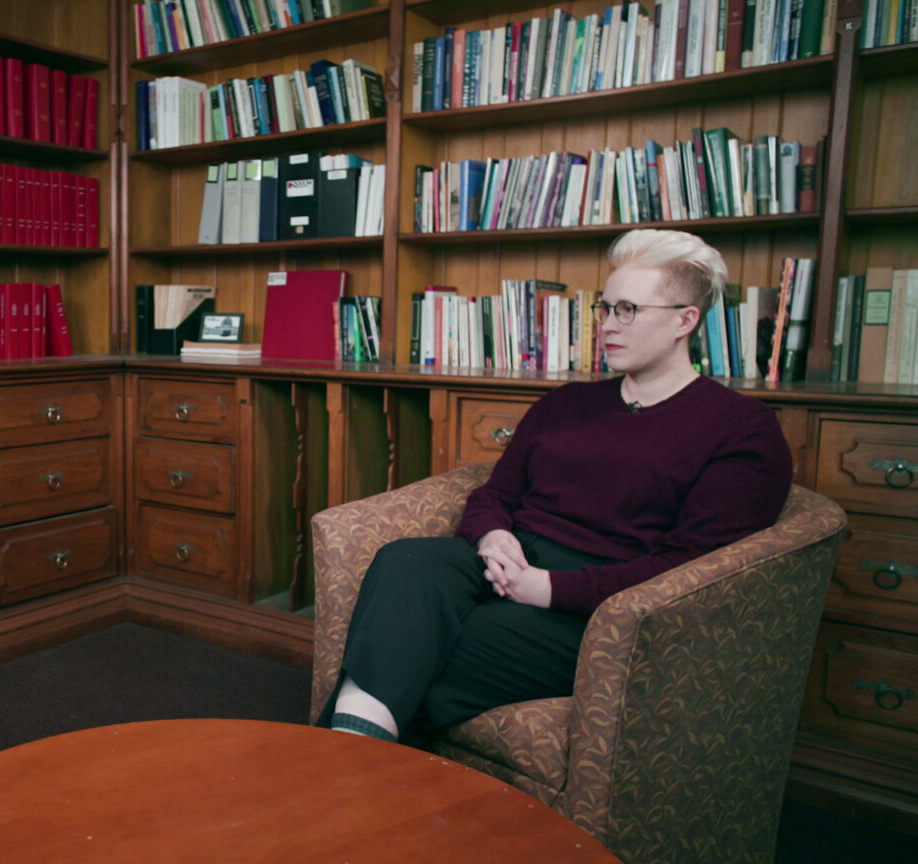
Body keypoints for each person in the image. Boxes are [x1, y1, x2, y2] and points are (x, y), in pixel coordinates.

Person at [317, 229, 793, 744]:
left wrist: (548, 589)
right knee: (406, 562)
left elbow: (691, 567)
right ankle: (350, 762)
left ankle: (340, 764)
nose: (608, 326)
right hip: (510, 560)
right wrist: (492, 537)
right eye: (605, 309)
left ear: (686, 320)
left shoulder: (742, 428)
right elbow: (495, 494)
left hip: (604, 604)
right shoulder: (567, 403)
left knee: (432, 646)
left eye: (627, 310)